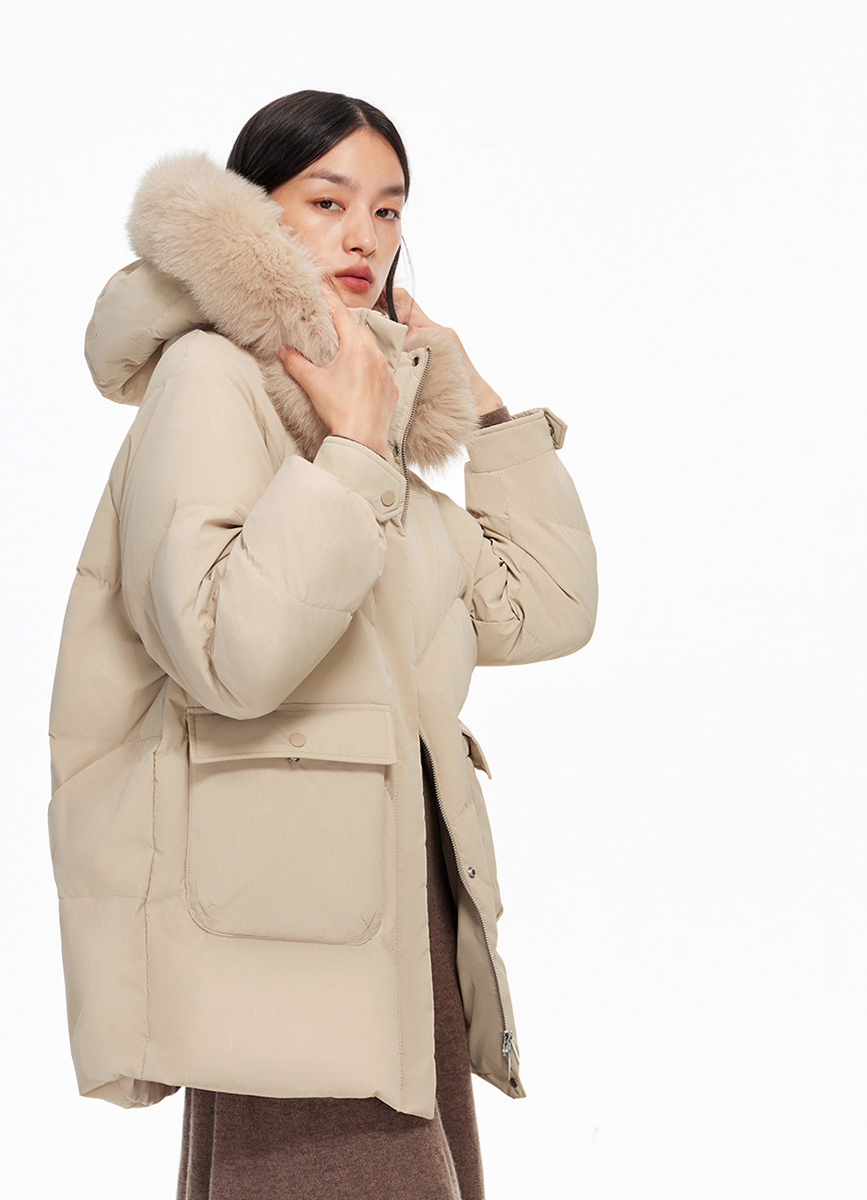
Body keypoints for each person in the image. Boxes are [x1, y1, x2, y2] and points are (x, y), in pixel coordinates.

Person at [47, 90, 598, 1199]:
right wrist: (351, 451)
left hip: (382, 917)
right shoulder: (212, 379)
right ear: (255, 215)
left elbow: (544, 606)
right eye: (329, 201)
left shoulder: (360, 415)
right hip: (289, 929)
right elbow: (228, 655)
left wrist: (484, 414)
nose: (365, 238)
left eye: (389, 210)